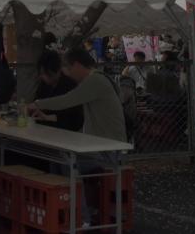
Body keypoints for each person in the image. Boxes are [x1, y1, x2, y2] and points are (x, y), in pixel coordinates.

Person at [29, 47, 126, 225]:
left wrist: (36, 104)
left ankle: (81, 218)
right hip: (100, 145)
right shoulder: (96, 79)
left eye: (67, 67)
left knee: (66, 162)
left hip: (109, 149)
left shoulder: (95, 80)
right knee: (58, 158)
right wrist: (47, 116)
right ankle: (64, 212)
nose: (66, 72)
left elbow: (67, 100)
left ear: (77, 65)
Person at [35, 50, 83, 132]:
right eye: (41, 73)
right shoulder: (43, 85)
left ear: (56, 71)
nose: (42, 77)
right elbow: (37, 104)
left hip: (65, 132)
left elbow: (76, 119)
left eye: (45, 73)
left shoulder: (70, 85)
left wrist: (51, 118)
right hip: (43, 130)